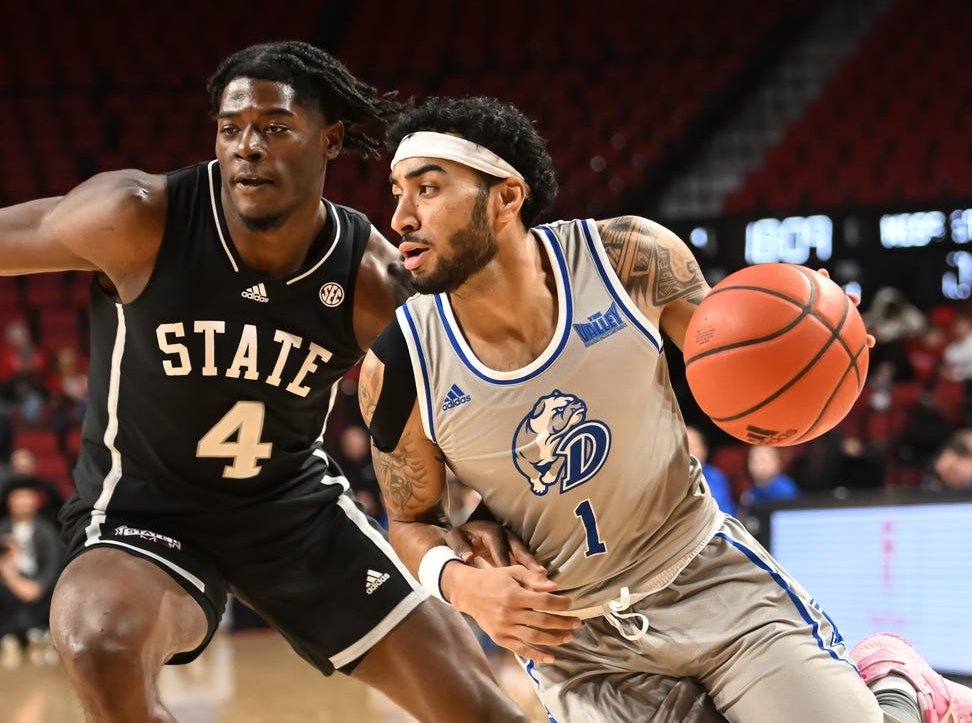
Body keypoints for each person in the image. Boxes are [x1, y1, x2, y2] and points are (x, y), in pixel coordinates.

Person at [0, 43, 528, 723]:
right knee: (97, 642)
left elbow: (474, 406)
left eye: (275, 127)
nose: (247, 146)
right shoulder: (137, 219)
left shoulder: (373, 280)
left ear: (329, 139)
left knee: (483, 711)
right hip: (143, 510)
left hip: (292, 512)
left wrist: (486, 515)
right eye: (230, 126)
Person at [358, 95, 972, 722]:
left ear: (506, 198)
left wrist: (805, 343)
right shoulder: (400, 366)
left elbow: (735, 366)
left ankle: (896, 686)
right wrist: (463, 585)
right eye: (397, 192)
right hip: (580, 647)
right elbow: (409, 519)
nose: (400, 216)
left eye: (427, 189)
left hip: (710, 579)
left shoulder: (628, 260)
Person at [0, 476, 64, 654]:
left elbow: (35, 592)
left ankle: (20, 633)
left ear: (35, 500)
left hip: (36, 601)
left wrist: (11, 572)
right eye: (17, 497)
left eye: (26, 497)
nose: (22, 503)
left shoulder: (47, 534)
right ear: (9, 501)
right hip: (3, 600)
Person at [685, 424, 736, 516]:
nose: (688, 451)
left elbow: (724, 513)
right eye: (683, 446)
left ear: (704, 450)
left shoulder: (716, 477)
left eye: (692, 446)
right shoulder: (665, 477)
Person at [738, 444, 799, 510]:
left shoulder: (784, 488)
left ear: (776, 462)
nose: (758, 465)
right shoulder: (750, 492)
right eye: (754, 460)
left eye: (763, 460)